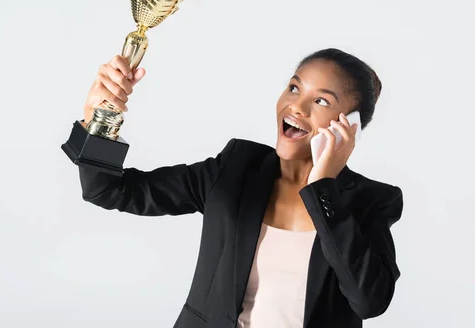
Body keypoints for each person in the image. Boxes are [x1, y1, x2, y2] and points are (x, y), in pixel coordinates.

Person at [68, 48, 403, 328]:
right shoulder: (234, 169)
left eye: (322, 102)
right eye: (294, 88)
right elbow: (109, 190)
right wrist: (98, 117)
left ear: (350, 126)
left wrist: (324, 186)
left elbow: (369, 301)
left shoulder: (371, 201)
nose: (297, 107)